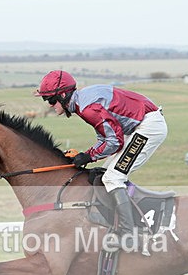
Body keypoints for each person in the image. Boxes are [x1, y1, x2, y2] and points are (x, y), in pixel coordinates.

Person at [35, 70, 168, 247]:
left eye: (51, 99)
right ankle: (122, 222)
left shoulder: (88, 108)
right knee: (105, 175)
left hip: (148, 127)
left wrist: (88, 156)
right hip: (139, 125)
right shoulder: (83, 102)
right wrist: (85, 155)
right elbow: (105, 137)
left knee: (113, 178)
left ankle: (129, 235)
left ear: (64, 95)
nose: (50, 105)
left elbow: (114, 142)